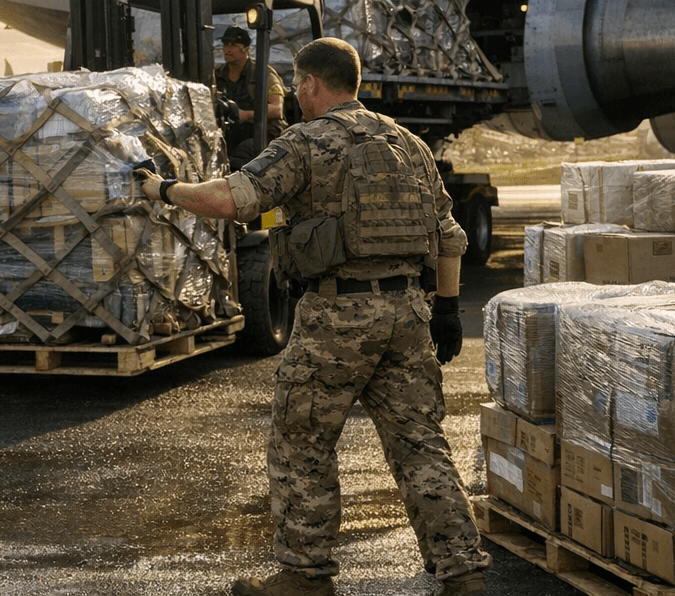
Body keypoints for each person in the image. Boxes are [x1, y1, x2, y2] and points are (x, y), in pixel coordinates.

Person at [138, 38, 489, 596]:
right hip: (409, 312)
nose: (295, 95)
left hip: (337, 315)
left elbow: (230, 200)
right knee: (420, 443)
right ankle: (463, 570)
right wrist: (446, 308)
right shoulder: (407, 144)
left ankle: (306, 575)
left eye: (297, 85)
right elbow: (449, 237)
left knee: (301, 441)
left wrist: (162, 187)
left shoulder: (305, 142)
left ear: (309, 84)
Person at [212, 24, 287, 167]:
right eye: (225, 44)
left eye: (233, 45)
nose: (227, 49)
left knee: (239, 157)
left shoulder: (263, 74)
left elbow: (277, 110)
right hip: (229, 134)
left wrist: (245, 115)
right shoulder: (217, 75)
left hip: (262, 135)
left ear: (246, 49)